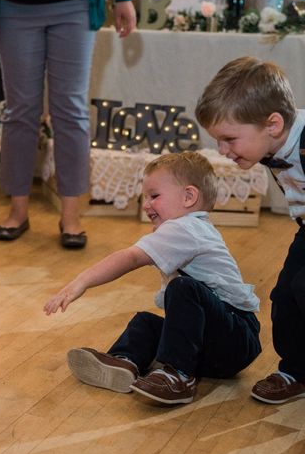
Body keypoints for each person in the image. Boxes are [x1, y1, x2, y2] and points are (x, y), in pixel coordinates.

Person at [44, 152, 261, 405]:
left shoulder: (186, 227)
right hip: (214, 343)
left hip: (235, 338)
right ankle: (124, 363)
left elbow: (131, 258)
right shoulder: (188, 227)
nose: (146, 204)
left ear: (189, 197)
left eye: (154, 196)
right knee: (146, 321)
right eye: (145, 197)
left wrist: (80, 282)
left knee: (183, 288)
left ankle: (178, 375)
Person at [0, 0, 136, 248]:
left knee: (71, 112)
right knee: (19, 111)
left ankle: (71, 217)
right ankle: (17, 212)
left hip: (77, 4)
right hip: (12, 5)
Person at [195, 56, 305, 405]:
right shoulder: (275, 141)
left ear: (272, 124)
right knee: (286, 295)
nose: (222, 151)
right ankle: (297, 370)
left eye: (229, 139)